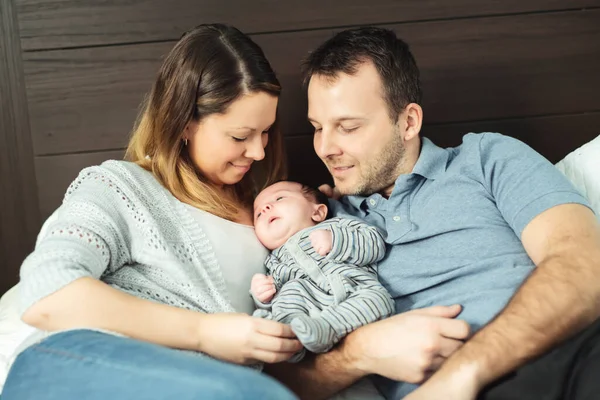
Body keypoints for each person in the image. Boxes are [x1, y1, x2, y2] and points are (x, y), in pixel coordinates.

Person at [265, 27, 600, 400]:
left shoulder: (487, 159)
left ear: (408, 122)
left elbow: (584, 265)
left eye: (348, 127)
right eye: (317, 128)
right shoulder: (319, 227)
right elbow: (272, 382)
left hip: (566, 361)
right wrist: (362, 353)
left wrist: (462, 373)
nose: (325, 148)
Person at [2, 23, 303, 400]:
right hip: (81, 362)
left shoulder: (271, 211)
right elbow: (45, 291)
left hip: (197, 381)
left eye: (266, 132)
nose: (258, 152)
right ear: (184, 124)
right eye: (240, 136)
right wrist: (206, 333)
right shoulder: (119, 187)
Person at [250, 181, 394, 361]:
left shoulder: (337, 226)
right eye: (257, 214)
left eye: (279, 198)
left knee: (378, 300)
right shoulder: (274, 260)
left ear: (317, 212)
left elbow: (374, 244)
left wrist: (336, 241)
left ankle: (327, 328)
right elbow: (278, 294)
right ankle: (285, 335)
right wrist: (263, 296)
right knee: (289, 294)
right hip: (309, 307)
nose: (265, 208)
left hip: (353, 290)